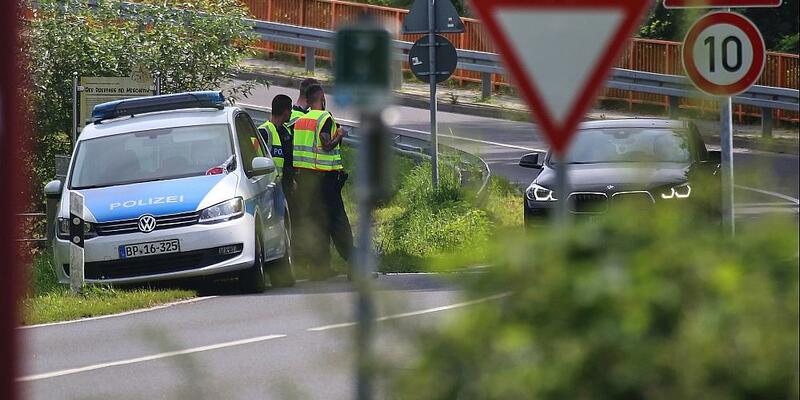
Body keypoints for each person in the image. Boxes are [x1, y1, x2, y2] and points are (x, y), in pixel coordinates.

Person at [292, 84, 354, 280]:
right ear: (322, 99)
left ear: (308, 101)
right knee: (338, 223)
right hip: (325, 180)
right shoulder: (324, 118)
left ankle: (318, 269)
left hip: (306, 181)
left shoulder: (301, 121)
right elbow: (326, 145)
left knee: (317, 224)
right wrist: (340, 135)